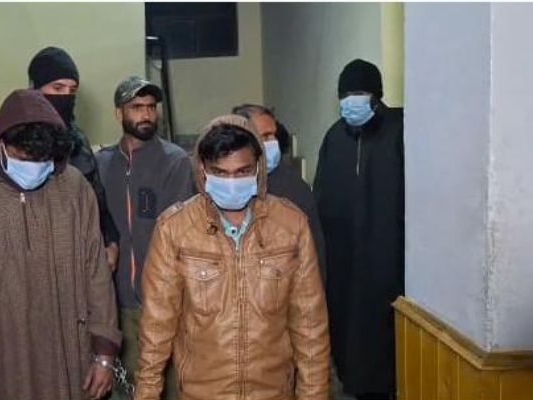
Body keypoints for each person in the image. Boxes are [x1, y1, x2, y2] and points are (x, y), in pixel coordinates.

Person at [135, 114, 330, 400]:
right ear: (202, 169)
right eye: (220, 173)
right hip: (202, 393)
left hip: (273, 393)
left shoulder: (290, 225)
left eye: (242, 172)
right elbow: (156, 328)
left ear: (258, 168)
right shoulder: (175, 229)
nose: (232, 182)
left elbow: (310, 328)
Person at [0, 89, 121, 400]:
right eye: (25, 158)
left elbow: (96, 273)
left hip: (67, 355)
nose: (36, 168)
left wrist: (105, 354)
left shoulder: (73, 188)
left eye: (43, 160)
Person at [95, 76, 195, 398]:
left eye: (151, 107)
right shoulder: (101, 165)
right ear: (119, 113)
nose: (146, 114)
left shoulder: (174, 161)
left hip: (163, 305)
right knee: (127, 389)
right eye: (137, 107)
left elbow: (179, 237)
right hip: (116, 307)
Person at [313, 59, 404, 400]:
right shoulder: (334, 138)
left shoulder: (400, 131)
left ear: (377, 95)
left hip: (390, 267)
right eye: (346, 94)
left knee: (385, 345)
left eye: (361, 92)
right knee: (348, 339)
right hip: (344, 267)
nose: (352, 100)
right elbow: (322, 200)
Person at [28, 46, 120, 270]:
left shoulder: (77, 140)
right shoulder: (12, 139)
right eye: (57, 88)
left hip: (81, 256)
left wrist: (110, 240)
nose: (65, 97)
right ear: (35, 89)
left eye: (72, 90)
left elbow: (96, 196)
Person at [232, 103, 327, 283]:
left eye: (273, 135)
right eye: (265, 136)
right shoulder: (226, 187)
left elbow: (314, 258)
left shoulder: (294, 189)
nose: (273, 142)